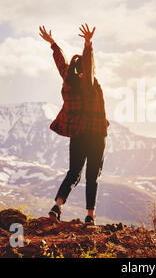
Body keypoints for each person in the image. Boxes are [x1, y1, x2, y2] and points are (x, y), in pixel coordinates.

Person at [39, 24, 109, 224]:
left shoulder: (68, 83)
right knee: (92, 176)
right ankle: (90, 215)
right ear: (86, 71)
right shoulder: (89, 83)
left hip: (78, 134)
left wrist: (53, 44)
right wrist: (88, 44)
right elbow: (88, 64)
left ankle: (57, 206)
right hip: (96, 134)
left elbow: (61, 64)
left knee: (74, 172)